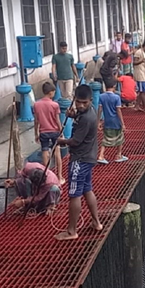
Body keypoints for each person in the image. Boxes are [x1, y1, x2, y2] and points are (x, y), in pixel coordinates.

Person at [55, 85, 102, 240]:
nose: (81, 105)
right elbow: (80, 116)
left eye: (84, 103)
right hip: (89, 158)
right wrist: (73, 115)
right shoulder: (88, 111)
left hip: (80, 160)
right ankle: (96, 222)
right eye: (78, 102)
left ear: (91, 100)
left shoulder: (87, 119)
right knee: (87, 189)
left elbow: (75, 141)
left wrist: (61, 141)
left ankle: (71, 231)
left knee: (74, 195)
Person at [33, 82, 65, 184]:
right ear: (51, 92)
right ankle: (59, 177)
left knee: (45, 152)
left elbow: (36, 121)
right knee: (57, 153)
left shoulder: (36, 105)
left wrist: (36, 133)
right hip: (55, 131)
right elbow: (57, 120)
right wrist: (61, 132)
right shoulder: (55, 105)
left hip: (43, 132)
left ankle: (47, 176)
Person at [98, 80, 128, 164]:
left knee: (106, 138)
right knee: (120, 137)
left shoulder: (101, 96)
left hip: (107, 121)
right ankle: (118, 154)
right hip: (116, 121)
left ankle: (101, 155)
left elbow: (100, 110)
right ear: (114, 86)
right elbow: (118, 110)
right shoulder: (116, 97)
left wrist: (99, 122)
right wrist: (122, 123)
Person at [133, 39, 145, 113]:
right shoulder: (138, 52)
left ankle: (137, 106)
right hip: (139, 74)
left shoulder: (143, 53)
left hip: (143, 73)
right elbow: (134, 62)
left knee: (142, 91)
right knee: (143, 91)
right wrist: (140, 61)